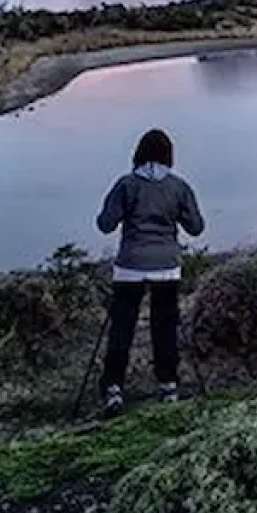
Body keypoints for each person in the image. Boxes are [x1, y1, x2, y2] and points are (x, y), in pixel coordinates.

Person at [96, 128, 204, 416]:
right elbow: (196, 227)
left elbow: (105, 224)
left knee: (122, 327)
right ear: (169, 156)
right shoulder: (179, 186)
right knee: (164, 326)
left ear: (138, 154)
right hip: (166, 267)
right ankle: (168, 384)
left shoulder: (126, 185)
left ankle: (113, 388)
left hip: (130, 265)